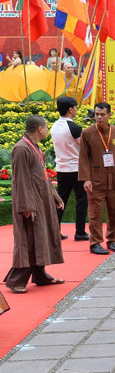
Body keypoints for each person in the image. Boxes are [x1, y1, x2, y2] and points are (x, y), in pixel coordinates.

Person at [4, 115, 65, 293]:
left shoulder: (35, 147)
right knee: (29, 241)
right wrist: (26, 207)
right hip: (30, 203)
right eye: (46, 127)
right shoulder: (21, 149)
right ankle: (16, 280)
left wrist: (54, 195)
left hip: (40, 199)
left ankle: (40, 274)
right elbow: (20, 180)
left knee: (40, 238)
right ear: (40, 129)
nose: (48, 130)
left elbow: (43, 176)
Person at [78, 102, 115, 255]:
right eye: (96, 114)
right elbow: (83, 158)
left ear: (109, 115)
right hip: (96, 180)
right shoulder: (87, 133)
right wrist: (86, 179)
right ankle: (95, 243)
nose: (99, 117)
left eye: (102, 114)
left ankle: (113, 240)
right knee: (95, 214)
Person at [51, 96, 88, 241]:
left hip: (61, 168)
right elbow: (85, 147)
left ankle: (54, 231)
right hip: (75, 168)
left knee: (60, 200)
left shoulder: (54, 126)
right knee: (81, 199)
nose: (76, 110)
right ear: (70, 109)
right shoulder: (74, 128)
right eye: (76, 107)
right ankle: (80, 232)